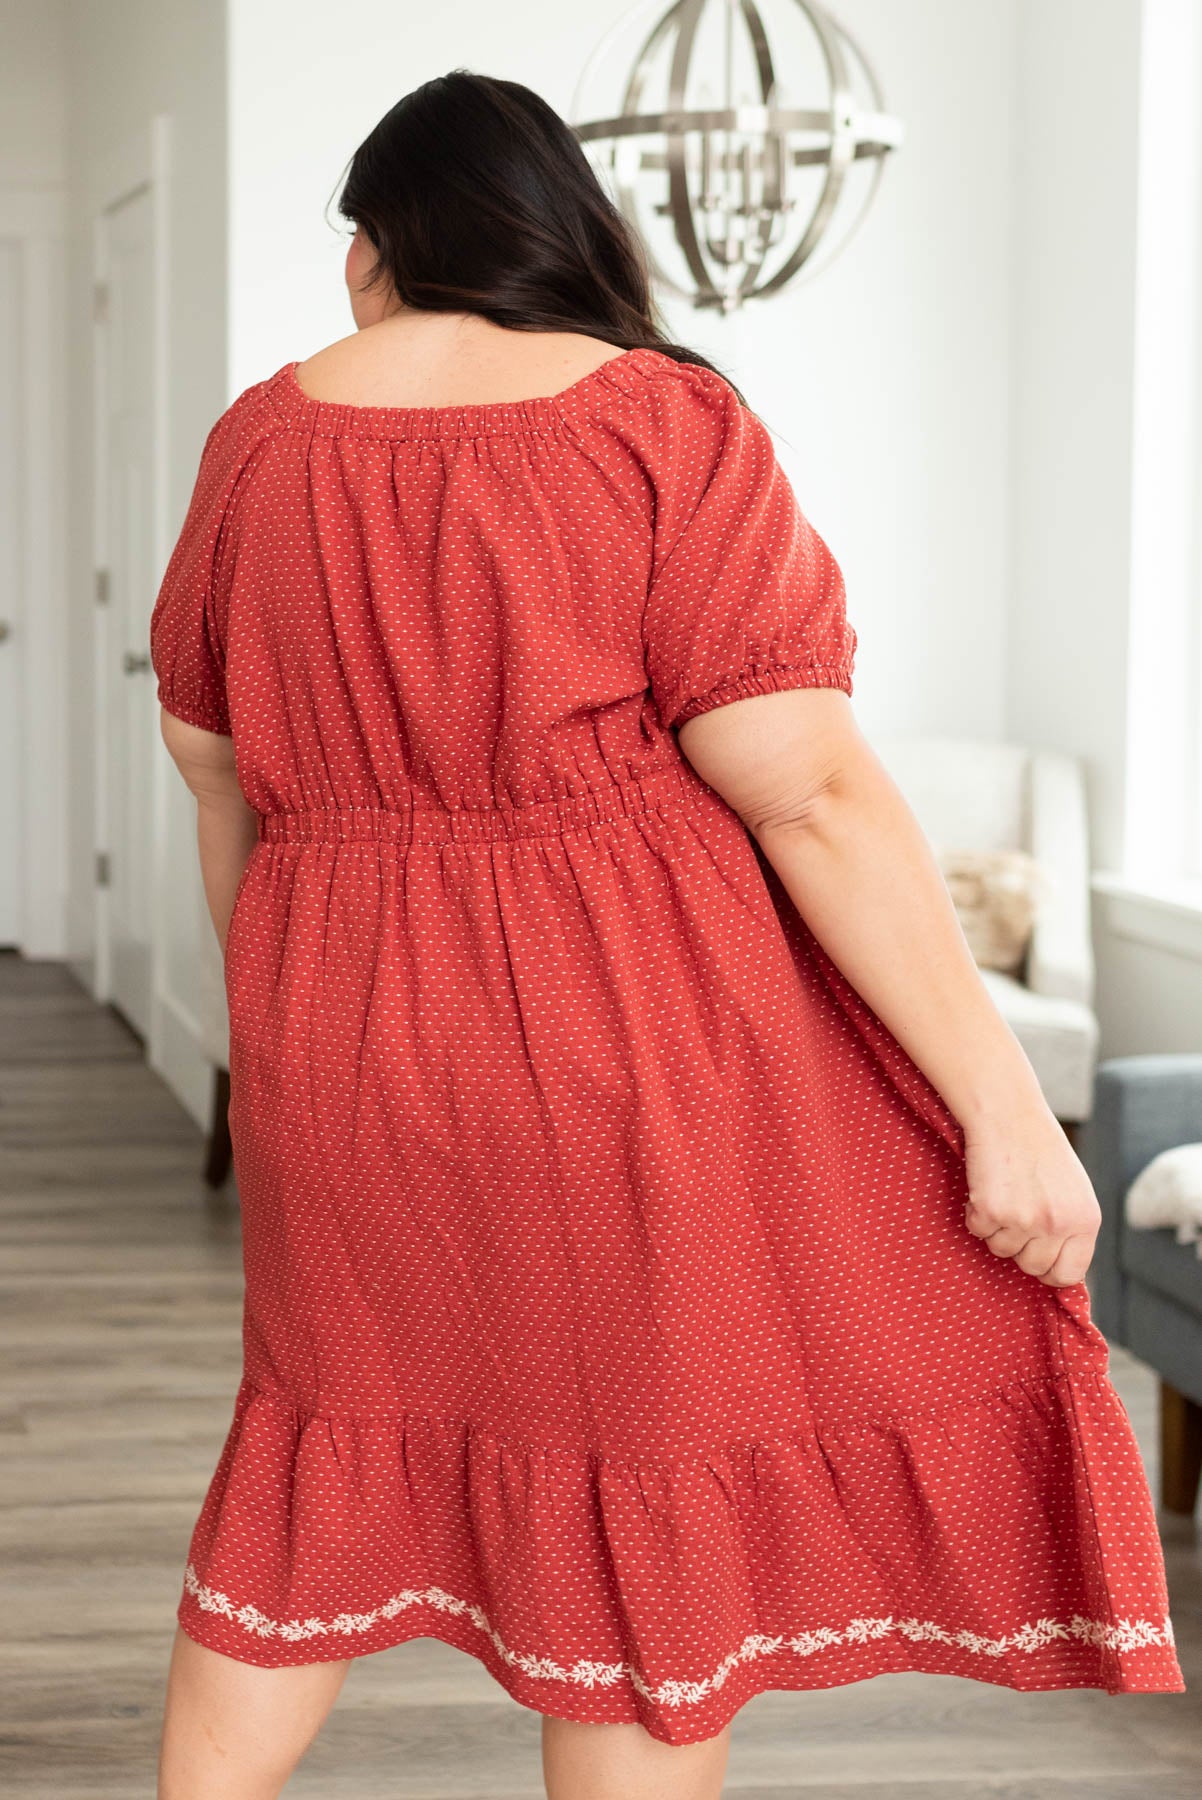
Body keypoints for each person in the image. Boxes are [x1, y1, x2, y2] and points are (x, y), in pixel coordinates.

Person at [149, 69, 1182, 1800]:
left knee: (310, 1470)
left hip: (341, 1053)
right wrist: (1004, 1107)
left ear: (372, 252)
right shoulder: (654, 422)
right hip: (613, 1058)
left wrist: (271, 1055)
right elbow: (814, 796)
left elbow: (212, 773)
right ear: (559, 229)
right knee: (640, 1526)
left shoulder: (261, 438)